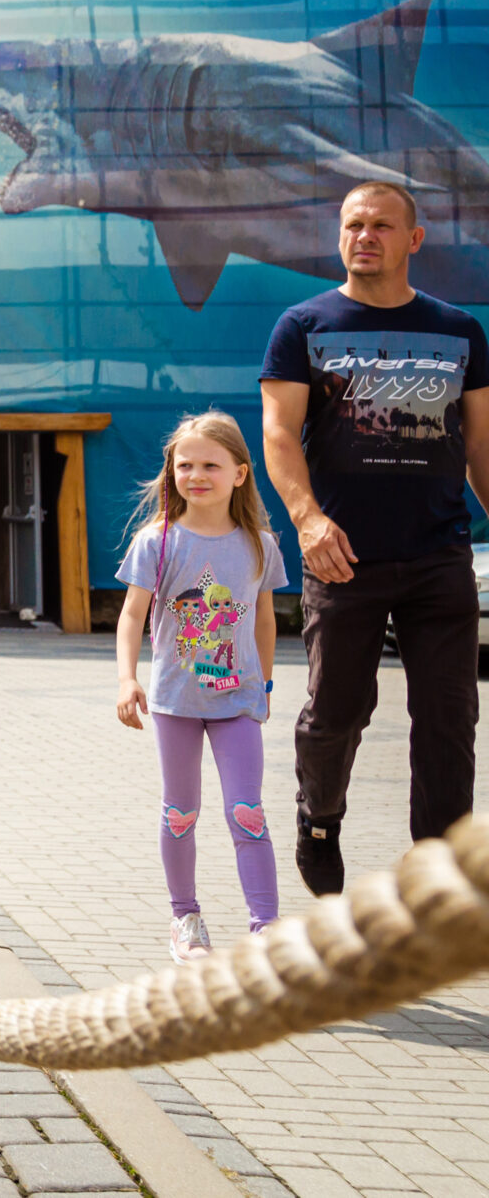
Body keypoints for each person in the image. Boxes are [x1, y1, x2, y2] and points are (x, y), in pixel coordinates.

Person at [260, 180, 489, 895]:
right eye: (354, 224)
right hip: (342, 557)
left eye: (382, 225)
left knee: (449, 718)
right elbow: (278, 434)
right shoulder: (303, 325)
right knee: (336, 714)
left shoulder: (460, 331)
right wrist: (308, 519)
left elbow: (482, 446)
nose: (365, 236)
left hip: (438, 553)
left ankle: (438, 875)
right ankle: (318, 820)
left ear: (413, 239)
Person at [113, 412, 285, 962]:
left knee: (247, 812)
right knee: (180, 812)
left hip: (239, 701)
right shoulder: (156, 541)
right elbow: (131, 615)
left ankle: (267, 929)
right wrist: (127, 679)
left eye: (211, 465)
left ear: (240, 473)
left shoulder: (260, 544)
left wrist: (265, 683)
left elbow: (264, 619)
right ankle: (185, 918)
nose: (196, 475)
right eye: (185, 465)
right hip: (176, 703)